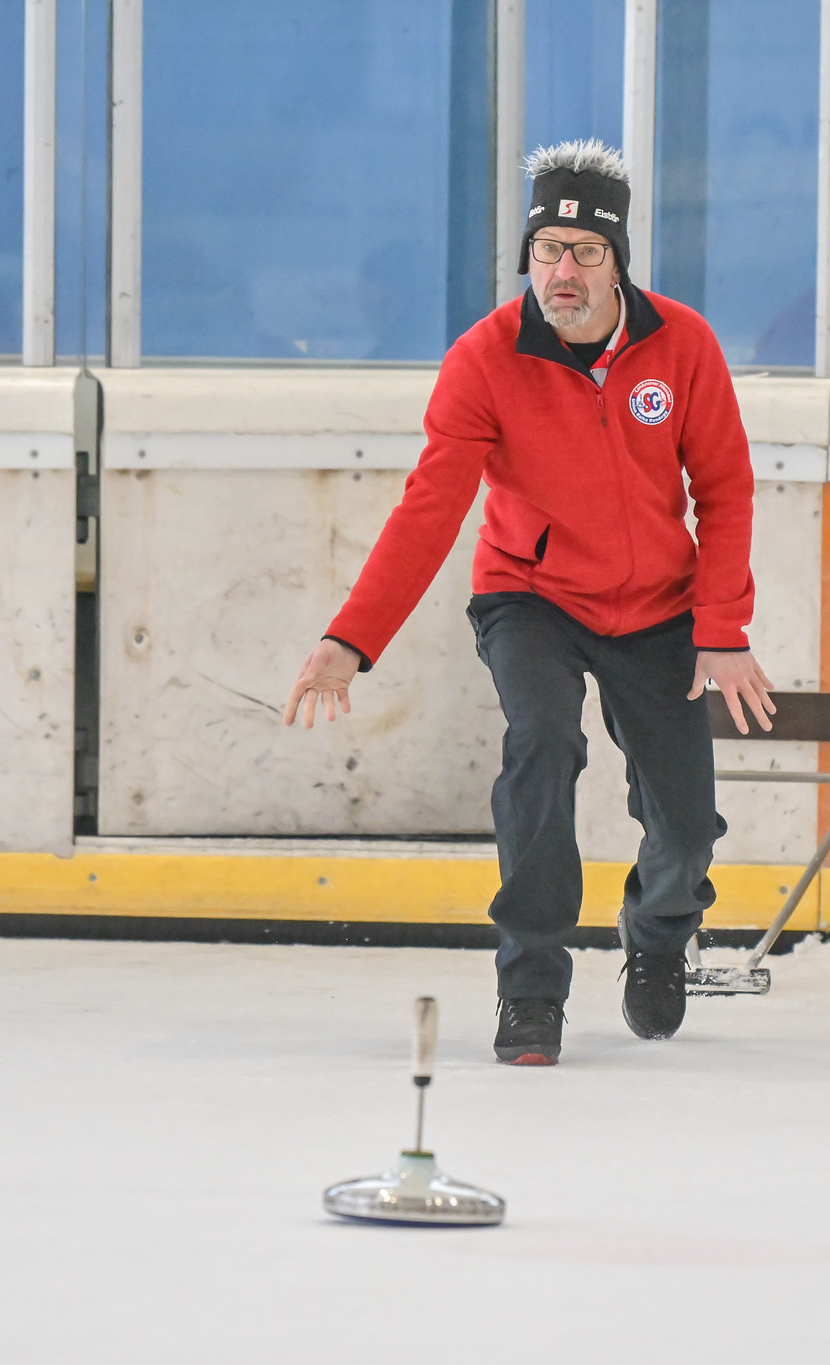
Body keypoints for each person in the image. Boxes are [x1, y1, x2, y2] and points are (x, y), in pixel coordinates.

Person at [283, 140, 775, 1066]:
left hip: (659, 608)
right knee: (542, 746)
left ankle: (657, 934)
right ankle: (532, 988)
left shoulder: (684, 345)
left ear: (617, 261)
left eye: (586, 252)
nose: (563, 271)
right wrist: (352, 638)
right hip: (531, 595)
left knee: (684, 828)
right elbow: (430, 510)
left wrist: (721, 630)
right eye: (547, 249)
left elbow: (726, 490)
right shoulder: (485, 359)